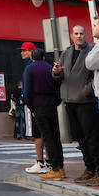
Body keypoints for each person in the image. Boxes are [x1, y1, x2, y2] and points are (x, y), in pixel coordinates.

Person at [55, 25, 99, 186]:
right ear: (72, 35)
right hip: (69, 101)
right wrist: (56, 72)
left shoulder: (92, 51)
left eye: (82, 33)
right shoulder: (66, 53)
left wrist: (86, 91)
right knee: (81, 139)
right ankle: (90, 168)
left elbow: (95, 75)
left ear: (85, 35)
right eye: (76, 33)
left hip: (86, 101)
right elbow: (59, 75)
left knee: (93, 137)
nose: (79, 36)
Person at [23, 46, 64, 181]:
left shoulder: (30, 69)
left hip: (38, 104)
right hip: (51, 103)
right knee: (55, 135)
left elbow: (27, 90)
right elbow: (58, 85)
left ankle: (54, 168)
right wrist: (56, 101)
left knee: (47, 137)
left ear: (32, 58)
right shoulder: (49, 68)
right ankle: (60, 166)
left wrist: (31, 108)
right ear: (44, 57)